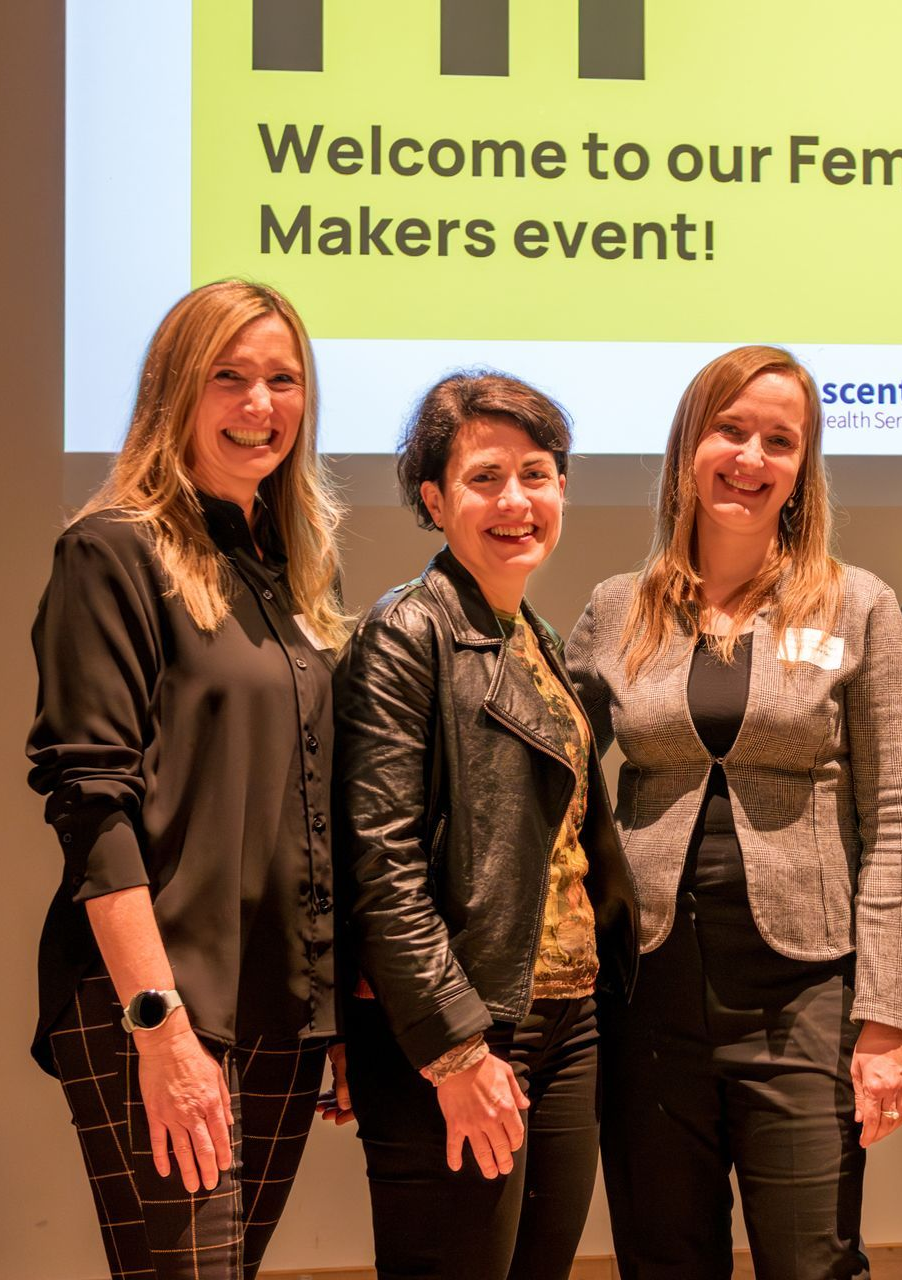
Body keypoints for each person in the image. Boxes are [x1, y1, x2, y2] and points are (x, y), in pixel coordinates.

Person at [566, 345, 902, 1280]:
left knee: (814, 1262)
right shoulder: (616, 611)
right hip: (649, 993)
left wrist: (885, 1019)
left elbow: (894, 818)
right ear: (689, 444)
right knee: (663, 1259)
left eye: (780, 440)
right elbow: (545, 785)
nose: (751, 458)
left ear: (802, 468)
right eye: (731, 430)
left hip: (805, 995)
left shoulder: (858, 605)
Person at [26, 280, 349, 1280]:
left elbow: (311, 804)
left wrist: (332, 1006)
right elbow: (91, 797)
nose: (261, 404)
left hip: (281, 1011)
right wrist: (158, 1026)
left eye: (283, 379)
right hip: (161, 1002)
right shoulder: (110, 551)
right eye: (231, 377)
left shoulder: (293, 573)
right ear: (177, 392)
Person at [332, 372, 639, 1280]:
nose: (517, 501)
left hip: (565, 1020)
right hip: (463, 1032)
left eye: (538, 474)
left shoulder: (535, 637)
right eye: (486, 477)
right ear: (434, 498)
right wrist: (456, 1047)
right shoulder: (406, 633)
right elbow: (381, 865)